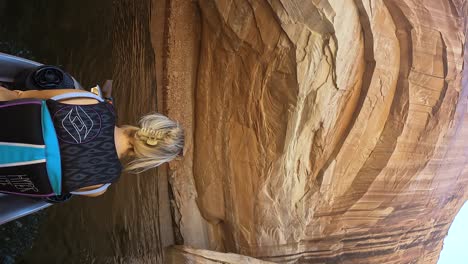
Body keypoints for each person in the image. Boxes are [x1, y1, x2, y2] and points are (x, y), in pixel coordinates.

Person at [0, 86, 184, 197]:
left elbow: (19, 97)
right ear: (147, 158)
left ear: (148, 124)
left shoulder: (90, 101)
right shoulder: (99, 185)